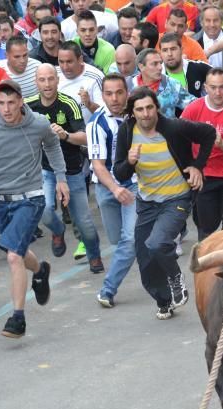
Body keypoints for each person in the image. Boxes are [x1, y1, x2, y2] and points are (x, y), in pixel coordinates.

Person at [0, 79, 69, 338]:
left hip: (31, 198)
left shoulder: (38, 123)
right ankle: (40, 271)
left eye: (10, 103)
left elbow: (52, 143)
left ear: (20, 101)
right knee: (15, 249)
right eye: (1, 103)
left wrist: (61, 177)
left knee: (13, 257)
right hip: (2, 202)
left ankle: (18, 319)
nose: (6, 109)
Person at [113, 86, 215, 319]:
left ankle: (176, 277)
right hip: (147, 202)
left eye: (150, 108)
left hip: (176, 198)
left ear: (157, 109)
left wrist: (198, 166)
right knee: (146, 259)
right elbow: (120, 173)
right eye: (140, 109)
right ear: (133, 112)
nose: (146, 113)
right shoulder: (127, 133)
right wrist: (129, 162)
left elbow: (208, 133)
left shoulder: (173, 127)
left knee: (157, 243)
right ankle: (164, 301)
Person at [30, 63, 104, 273]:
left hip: (71, 169)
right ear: (36, 82)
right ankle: (58, 229)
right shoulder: (28, 106)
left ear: (57, 80)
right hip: (44, 169)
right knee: (44, 209)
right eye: (42, 80)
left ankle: (95, 256)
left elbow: (86, 138)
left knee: (85, 223)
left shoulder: (68, 104)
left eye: (51, 79)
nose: (47, 84)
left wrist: (65, 135)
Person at [88, 73, 138, 307]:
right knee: (118, 241)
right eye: (109, 93)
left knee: (130, 240)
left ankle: (107, 290)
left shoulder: (138, 116)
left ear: (127, 93)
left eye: (119, 92)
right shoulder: (96, 123)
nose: (115, 98)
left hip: (135, 184)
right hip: (107, 188)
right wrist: (115, 189)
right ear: (103, 96)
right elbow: (98, 165)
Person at [181, 67, 223, 239]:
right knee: (206, 228)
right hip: (205, 176)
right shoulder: (193, 109)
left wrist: (219, 142)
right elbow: (178, 137)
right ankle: (204, 262)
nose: (218, 92)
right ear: (205, 87)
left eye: (222, 87)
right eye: (213, 87)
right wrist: (191, 166)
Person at [129, 47, 194, 115]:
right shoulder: (129, 85)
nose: (160, 67)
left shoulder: (173, 85)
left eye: (160, 63)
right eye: (154, 64)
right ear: (141, 66)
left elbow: (195, 106)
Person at [57, 41, 104, 121]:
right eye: (61, 62)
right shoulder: (53, 75)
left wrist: (89, 104)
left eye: (69, 62)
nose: (65, 67)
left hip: (88, 131)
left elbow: (105, 114)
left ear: (80, 59)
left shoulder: (96, 77)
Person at [159, 32, 211, 97]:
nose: (169, 54)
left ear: (181, 50)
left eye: (173, 49)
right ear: (160, 53)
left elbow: (221, 78)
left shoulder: (198, 68)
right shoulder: (157, 75)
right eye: (165, 50)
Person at [0, 35, 41, 104]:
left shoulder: (37, 67)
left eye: (25, 55)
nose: (22, 60)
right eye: (17, 57)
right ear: (6, 55)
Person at [74, 10, 116, 74]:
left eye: (91, 30)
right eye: (83, 30)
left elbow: (109, 80)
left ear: (97, 30)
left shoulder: (109, 50)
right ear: (77, 31)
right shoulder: (70, 46)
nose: (87, 34)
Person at [196, 6, 223, 70]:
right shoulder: (194, 42)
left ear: (222, 22)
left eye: (215, 20)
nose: (212, 25)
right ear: (201, 23)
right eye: (208, 20)